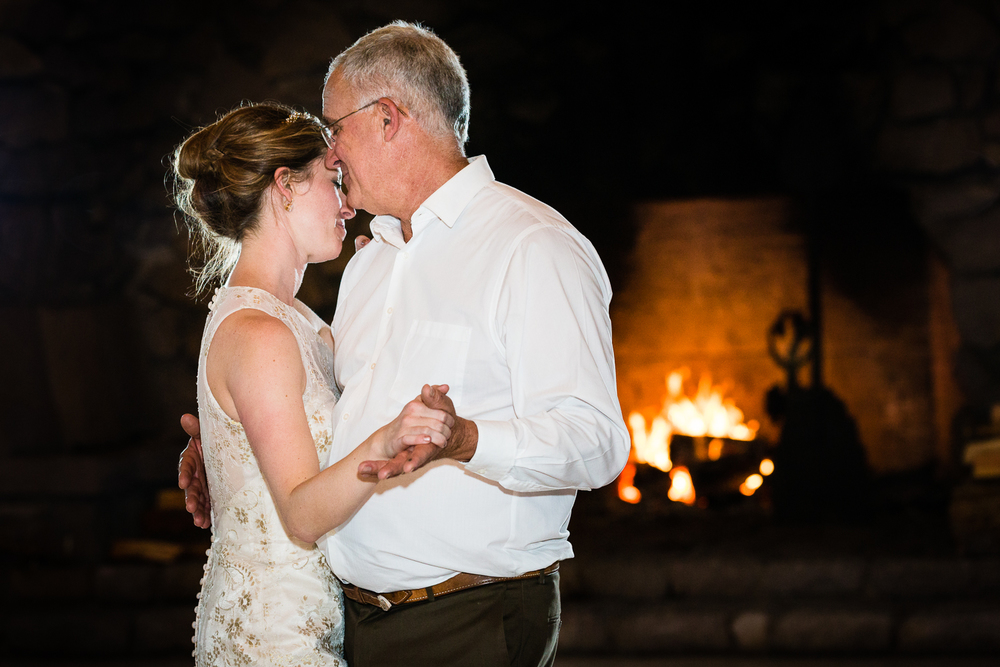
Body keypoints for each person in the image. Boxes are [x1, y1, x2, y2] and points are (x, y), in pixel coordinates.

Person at [180, 21, 631, 667]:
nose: (330, 155)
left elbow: (596, 441)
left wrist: (468, 438)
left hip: (467, 615)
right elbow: (322, 404)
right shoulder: (372, 261)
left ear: (387, 118)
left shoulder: (531, 245)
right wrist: (232, 447)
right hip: (353, 621)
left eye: (335, 127)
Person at [172, 101, 454, 666]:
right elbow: (300, 515)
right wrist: (387, 440)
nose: (348, 205)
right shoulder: (260, 333)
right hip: (275, 636)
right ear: (285, 187)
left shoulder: (298, 321)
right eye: (333, 180)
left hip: (314, 621)